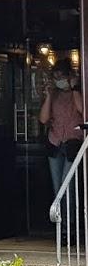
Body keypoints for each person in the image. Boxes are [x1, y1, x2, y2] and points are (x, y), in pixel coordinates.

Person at [38, 59, 84, 199]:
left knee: (67, 185)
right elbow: (43, 119)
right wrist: (48, 96)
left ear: (69, 75)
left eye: (61, 77)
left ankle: (69, 219)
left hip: (72, 142)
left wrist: (74, 88)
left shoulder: (78, 93)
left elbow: (82, 110)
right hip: (55, 142)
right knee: (57, 187)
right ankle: (60, 219)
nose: (59, 80)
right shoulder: (55, 94)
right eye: (56, 77)